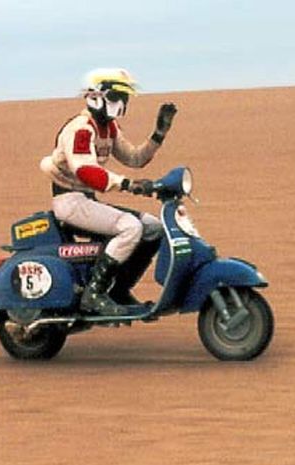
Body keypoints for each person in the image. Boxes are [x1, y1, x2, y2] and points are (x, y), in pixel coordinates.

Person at [40, 68, 177, 316]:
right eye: (116, 96)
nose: (122, 103)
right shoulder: (81, 129)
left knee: (153, 227)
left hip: (86, 200)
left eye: (123, 98)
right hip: (70, 202)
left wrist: (158, 135)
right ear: (96, 96)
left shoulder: (109, 128)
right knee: (130, 227)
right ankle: (94, 294)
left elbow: (134, 158)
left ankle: (118, 289)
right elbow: (86, 171)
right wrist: (128, 185)